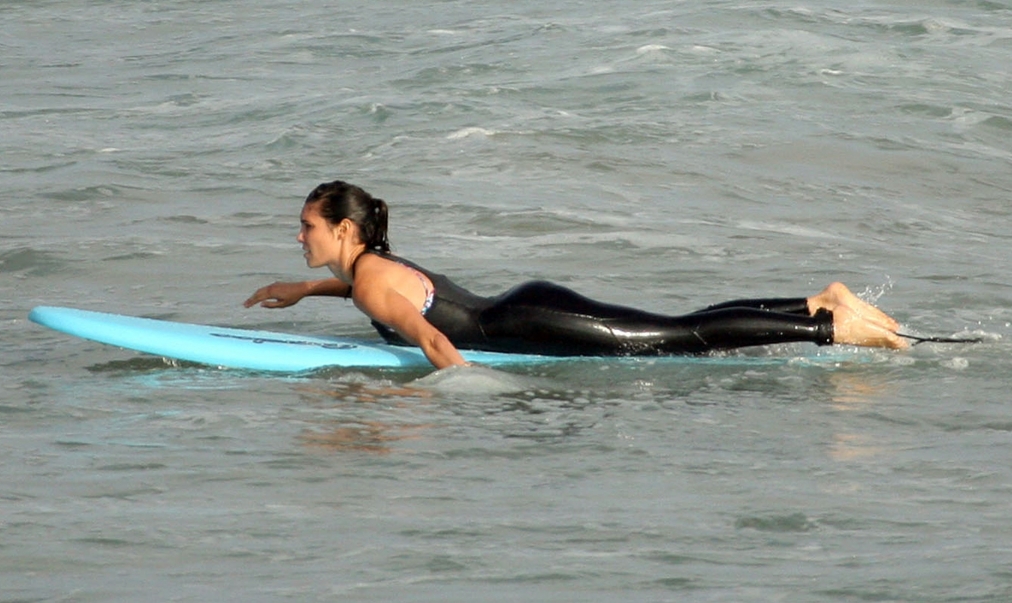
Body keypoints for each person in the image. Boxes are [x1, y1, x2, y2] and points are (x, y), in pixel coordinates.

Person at [244, 181, 909, 370]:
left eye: (306, 226)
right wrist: (302, 289)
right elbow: (387, 300)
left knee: (678, 339)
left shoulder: (368, 282)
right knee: (678, 324)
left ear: (345, 232)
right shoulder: (372, 269)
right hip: (525, 307)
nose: (298, 235)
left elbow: (431, 340)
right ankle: (815, 301)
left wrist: (457, 394)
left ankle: (827, 326)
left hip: (530, 322)